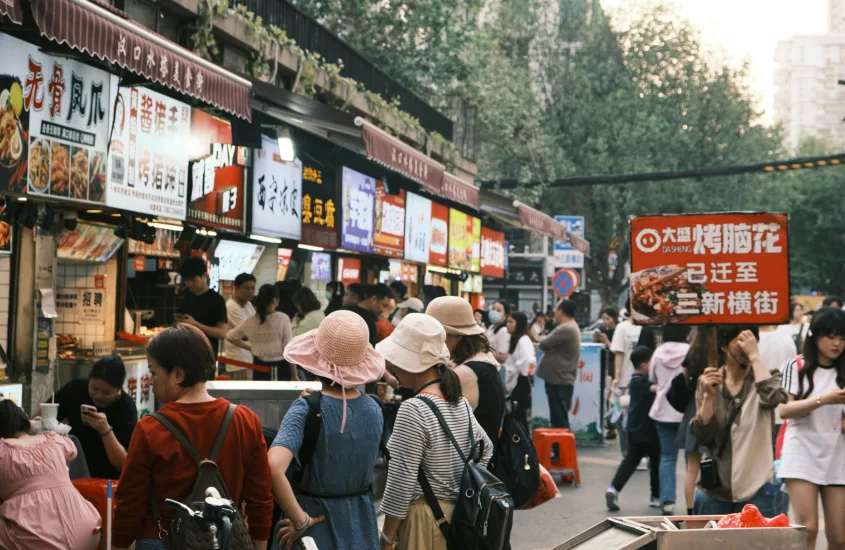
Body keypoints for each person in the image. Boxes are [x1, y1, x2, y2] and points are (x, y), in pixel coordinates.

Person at [112, 324, 273, 550]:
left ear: (177, 374)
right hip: (223, 539)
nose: (151, 381)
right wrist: (259, 545)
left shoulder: (150, 429)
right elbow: (260, 499)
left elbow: (129, 503)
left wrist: (119, 545)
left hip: (161, 539)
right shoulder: (245, 421)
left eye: (154, 372)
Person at [269, 310, 386, 550]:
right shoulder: (375, 408)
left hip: (312, 530)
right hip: (361, 526)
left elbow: (272, 468)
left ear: (316, 360)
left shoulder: (306, 408)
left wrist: (300, 521)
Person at [377, 314, 493, 550]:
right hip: (458, 518)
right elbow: (486, 448)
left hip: (424, 521)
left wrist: (387, 538)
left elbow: (401, 482)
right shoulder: (458, 402)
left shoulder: (413, 409)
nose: (392, 366)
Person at [691, 326, 788, 516]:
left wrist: (755, 357)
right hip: (714, 490)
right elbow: (703, 436)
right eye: (740, 341)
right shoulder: (710, 381)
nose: (746, 346)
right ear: (724, 347)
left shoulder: (766, 378)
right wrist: (709, 397)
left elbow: (772, 398)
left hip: (757, 489)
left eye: (752, 341)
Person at [777, 308, 845, 550]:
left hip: (838, 453)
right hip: (802, 450)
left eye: (842, 338)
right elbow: (784, 410)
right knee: (808, 527)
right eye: (831, 336)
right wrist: (823, 400)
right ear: (815, 337)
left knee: (839, 537)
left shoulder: (843, 370)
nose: (837, 343)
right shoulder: (796, 365)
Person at [0, 400, 102, 549]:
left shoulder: (3, 450)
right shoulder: (53, 440)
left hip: (37, 541)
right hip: (86, 532)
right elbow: (72, 452)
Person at [426, 296, 506, 444]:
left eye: (438, 335)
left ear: (455, 335)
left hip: (469, 464)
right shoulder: (484, 361)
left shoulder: (466, 373)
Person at [46, 356, 137, 479]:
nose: (98, 396)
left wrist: (105, 430)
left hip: (106, 481)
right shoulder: (75, 389)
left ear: (120, 389)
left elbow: (123, 465)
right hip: (71, 472)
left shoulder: (126, 409)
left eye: (106, 393)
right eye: (94, 388)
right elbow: (44, 417)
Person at [605, 346, 660, 511]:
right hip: (649, 430)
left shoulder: (633, 380)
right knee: (656, 463)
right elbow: (657, 390)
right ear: (644, 364)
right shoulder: (641, 381)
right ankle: (656, 496)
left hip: (634, 429)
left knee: (630, 462)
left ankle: (613, 488)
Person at [648, 325, 690, 515]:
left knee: (667, 457)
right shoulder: (690, 351)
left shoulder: (658, 352)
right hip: (687, 411)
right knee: (692, 459)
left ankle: (667, 502)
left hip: (663, 409)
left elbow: (652, 378)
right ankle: (694, 499)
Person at [227, 284, 296, 381]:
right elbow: (288, 349)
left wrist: (250, 347)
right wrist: (294, 375)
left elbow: (230, 336)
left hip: (259, 369)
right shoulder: (283, 319)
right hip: (281, 369)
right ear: (275, 300)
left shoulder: (251, 321)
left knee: (261, 396)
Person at [537, 299, 581, 431]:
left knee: (559, 419)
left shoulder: (566, 328)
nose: (554, 312)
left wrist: (550, 346)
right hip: (559, 378)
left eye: (556, 309)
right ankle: (559, 450)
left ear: (561, 311)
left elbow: (543, 344)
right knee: (558, 417)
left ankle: (561, 450)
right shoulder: (570, 327)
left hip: (559, 379)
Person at [178, 257, 228, 356]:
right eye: (187, 280)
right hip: (186, 356)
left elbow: (222, 333)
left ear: (204, 275)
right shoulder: (187, 299)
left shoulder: (216, 300)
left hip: (206, 359)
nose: (190, 284)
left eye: (193, 280)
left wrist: (196, 325)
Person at [502, 311, 535, 432]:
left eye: (511, 322)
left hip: (521, 382)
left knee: (519, 418)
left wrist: (516, 370)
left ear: (519, 324)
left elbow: (527, 361)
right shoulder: (516, 339)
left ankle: (524, 446)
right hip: (516, 381)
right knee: (516, 417)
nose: (508, 324)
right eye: (507, 322)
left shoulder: (523, 340)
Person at [224, 273, 257, 380]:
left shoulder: (248, 305)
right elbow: (249, 330)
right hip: (239, 361)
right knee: (244, 396)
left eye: (253, 288)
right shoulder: (231, 306)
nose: (251, 291)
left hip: (249, 359)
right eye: (247, 288)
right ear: (236, 288)